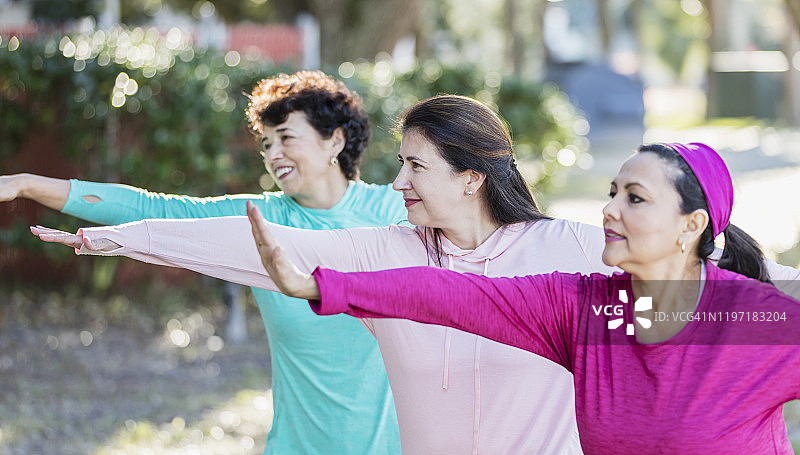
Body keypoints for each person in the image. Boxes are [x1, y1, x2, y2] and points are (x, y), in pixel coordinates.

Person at [31, 100, 800, 453]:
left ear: (470, 178)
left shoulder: (569, 257)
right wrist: (124, 237)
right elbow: (443, 296)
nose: (397, 180)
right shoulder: (561, 297)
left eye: (416, 165)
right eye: (612, 194)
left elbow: (706, 320)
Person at [254, 142, 800, 453]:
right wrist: (324, 285)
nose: (609, 209)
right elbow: (452, 295)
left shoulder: (751, 320)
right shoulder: (587, 311)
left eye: (635, 198)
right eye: (612, 193)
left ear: (691, 225)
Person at [6, 70, 404, 455]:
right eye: (266, 144)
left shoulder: (396, 210)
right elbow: (150, 207)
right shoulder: (257, 220)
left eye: (286, 138)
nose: (273, 154)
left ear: (334, 140)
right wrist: (26, 184)